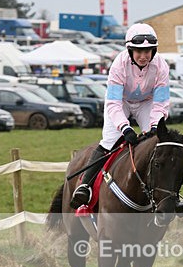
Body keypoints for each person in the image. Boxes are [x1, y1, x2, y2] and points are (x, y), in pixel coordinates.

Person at [70, 22, 170, 209]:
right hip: (120, 102)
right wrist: (125, 128)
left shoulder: (161, 66)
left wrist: (155, 126)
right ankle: (85, 185)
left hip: (146, 103)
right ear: (130, 51)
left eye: (147, 51)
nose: (143, 56)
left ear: (154, 51)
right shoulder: (119, 64)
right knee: (109, 141)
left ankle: (167, 193)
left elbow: (161, 103)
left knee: (158, 141)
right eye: (138, 51)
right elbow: (114, 103)